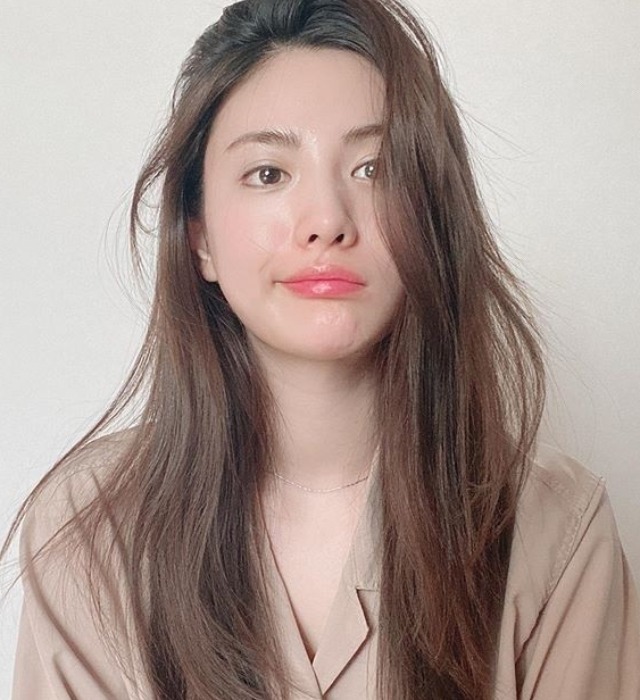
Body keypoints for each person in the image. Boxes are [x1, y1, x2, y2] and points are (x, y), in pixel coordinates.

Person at [3, 0, 639, 698]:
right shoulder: (89, 529)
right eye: (268, 174)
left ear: (432, 215)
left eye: (375, 168)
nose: (328, 221)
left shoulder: (555, 527)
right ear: (199, 236)